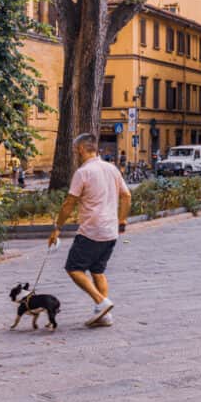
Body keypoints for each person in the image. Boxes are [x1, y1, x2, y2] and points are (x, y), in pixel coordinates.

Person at [48, 133, 131, 327]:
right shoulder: (112, 169)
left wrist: (57, 228)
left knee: (73, 268)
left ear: (82, 149)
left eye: (76, 149)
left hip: (91, 231)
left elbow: (69, 203)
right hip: (111, 231)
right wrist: (123, 220)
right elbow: (126, 196)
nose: (76, 152)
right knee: (98, 271)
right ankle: (104, 315)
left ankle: (102, 302)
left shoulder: (83, 172)